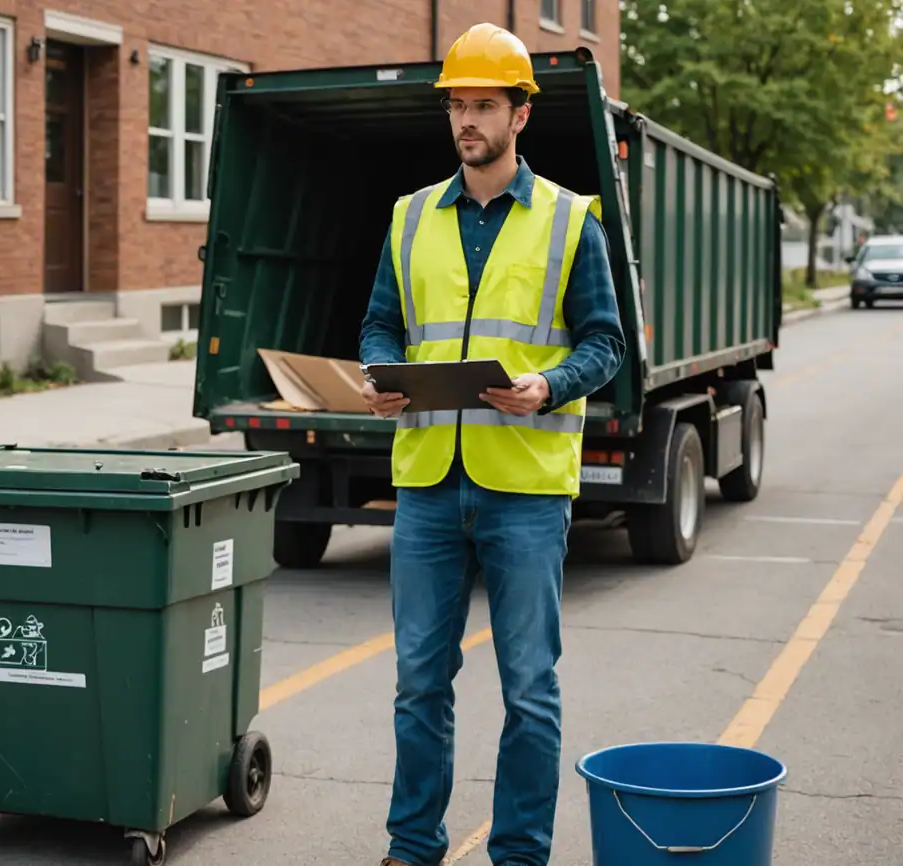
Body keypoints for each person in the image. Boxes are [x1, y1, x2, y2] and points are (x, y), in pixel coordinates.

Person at [358, 22, 626, 866]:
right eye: (457, 106)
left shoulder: (569, 220)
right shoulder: (408, 219)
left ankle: (519, 855)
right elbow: (379, 324)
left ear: (520, 115)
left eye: (483, 105)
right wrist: (379, 371)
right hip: (430, 481)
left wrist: (548, 386)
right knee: (418, 688)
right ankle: (412, 847)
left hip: (525, 486)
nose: (466, 120)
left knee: (530, 693)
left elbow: (605, 341)